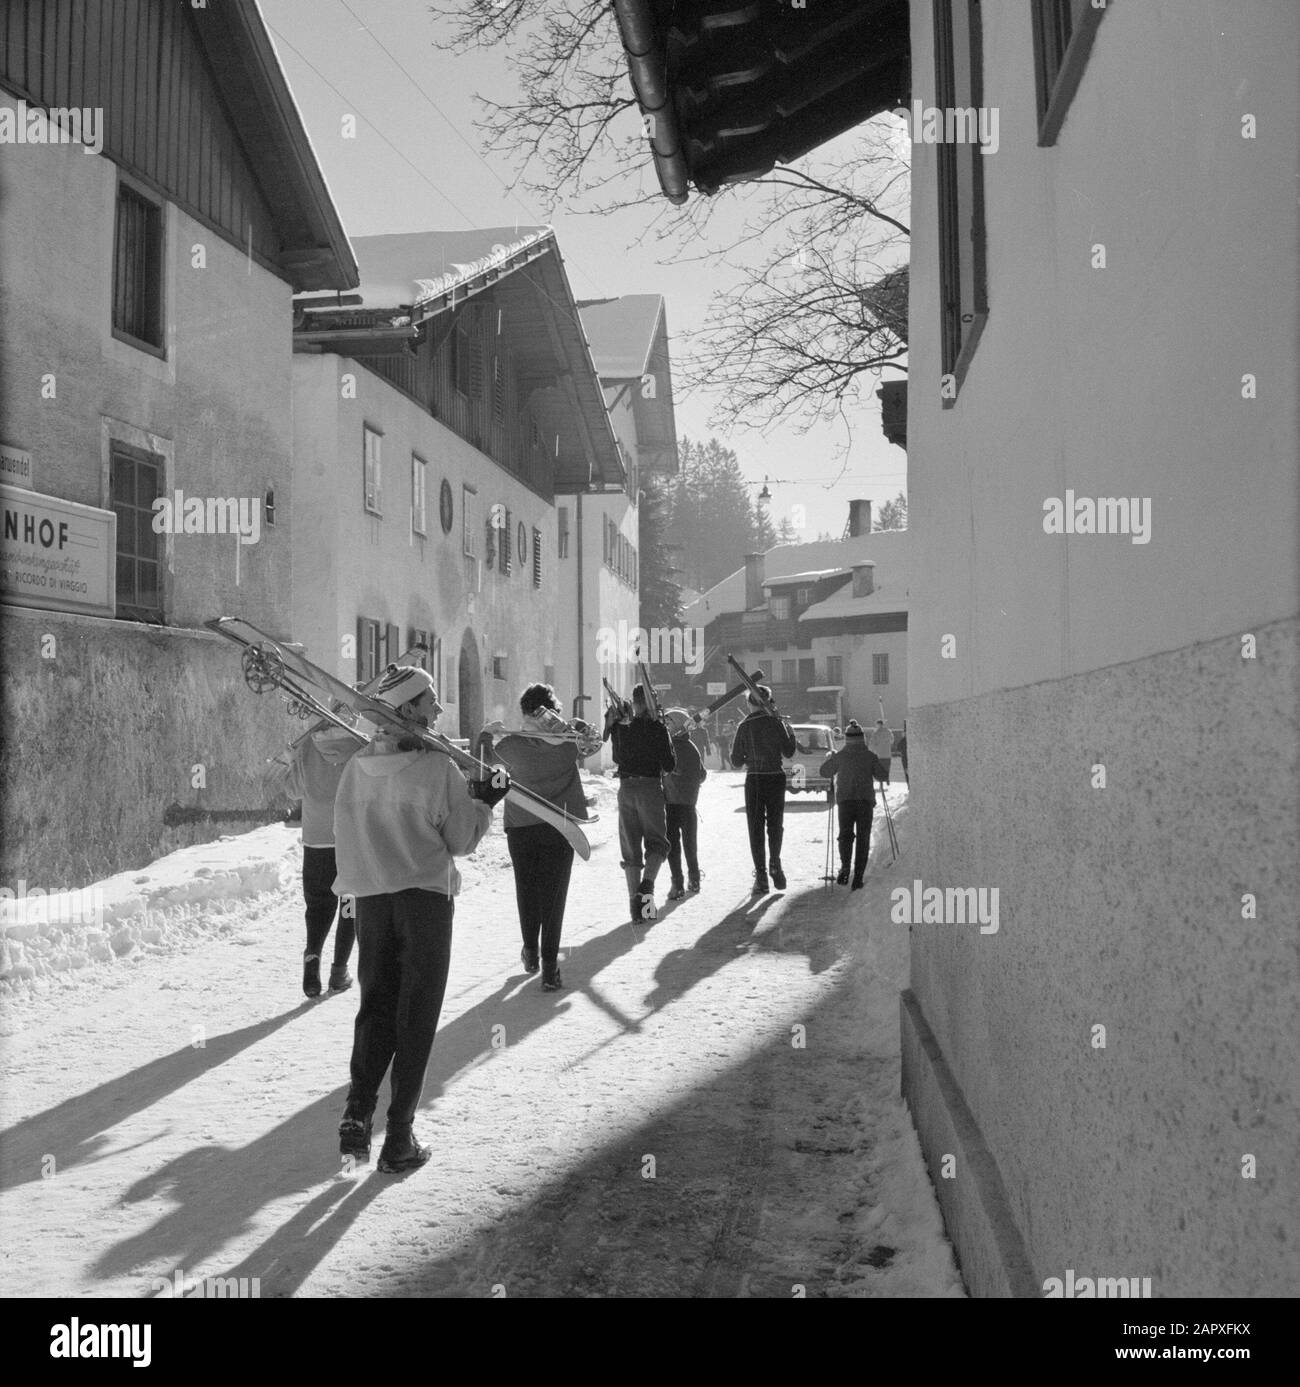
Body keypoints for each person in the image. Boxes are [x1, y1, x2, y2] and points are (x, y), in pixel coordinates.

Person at [332, 665, 509, 1173]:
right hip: (424, 904)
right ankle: (399, 1137)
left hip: (372, 903)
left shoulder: (356, 769)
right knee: (417, 1015)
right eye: (430, 699)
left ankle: (357, 1113)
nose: (438, 708)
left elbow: (345, 836)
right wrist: (484, 802)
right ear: (408, 709)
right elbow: (461, 841)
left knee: (375, 1009)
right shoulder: (436, 771)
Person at [494, 684, 600, 991]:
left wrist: (487, 736)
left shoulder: (510, 745)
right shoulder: (567, 745)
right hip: (560, 826)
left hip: (521, 826)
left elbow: (485, 767)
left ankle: (530, 951)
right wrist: (570, 728)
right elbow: (594, 743)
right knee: (554, 896)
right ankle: (551, 967)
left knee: (526, 891)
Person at [273, 717, 363, 998]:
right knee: (349, 904)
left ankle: (312, 957)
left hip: (316, 842)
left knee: (318, 906)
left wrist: (291, 761)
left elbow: (292, 791)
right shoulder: (361, 746)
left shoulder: (308, 747)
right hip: (350, 841)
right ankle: (339, 972)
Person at [605, 683, 675, 921]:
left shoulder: (621, 727)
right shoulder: (657, 727)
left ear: (634, 703)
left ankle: (637, 910)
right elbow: (669, 765)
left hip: (625, 789)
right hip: (649, 788)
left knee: (631, 850)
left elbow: (616, 757)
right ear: (652, 703)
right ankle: (647, 888)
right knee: (657, 844)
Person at [730, 685, 797, 893]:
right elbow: (789, 752)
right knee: (776, 824)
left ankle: (761, 876)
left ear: (750, 703)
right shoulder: (777, 723)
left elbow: (735, 761)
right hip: (775, 776)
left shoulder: (745, 725)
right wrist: (789, 731)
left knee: (756, 828)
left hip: (755, 778)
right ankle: (775, 863)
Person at [819, 720, 884, 890]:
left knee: (845, 835)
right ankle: (858, 877)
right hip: (865, 801)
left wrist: (831, 758)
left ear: (847, 739)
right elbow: (882, 775)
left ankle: (845, 866)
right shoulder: (870, 756)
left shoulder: (840, 756)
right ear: (862, 739)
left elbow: (824, 772)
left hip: (846, 801)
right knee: (863, 838)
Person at [662, 708, 707, 899]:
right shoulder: (692, 747)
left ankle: (677, 883)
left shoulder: (670, 747)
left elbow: (666, 769)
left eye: (668, 723)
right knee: (690, 844)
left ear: (677, 725)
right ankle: (694, 879)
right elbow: (702, 774)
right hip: (689, 805)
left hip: (672, 804)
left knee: (673, 845)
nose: (665, 726)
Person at [868, 718, 895, 784]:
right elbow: (892, 741)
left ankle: (881, 780)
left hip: (879, 754)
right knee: (887, 767)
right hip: (887, 754)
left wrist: (871, 751)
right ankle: (887, 777)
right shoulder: (888, 732)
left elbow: (872, 744)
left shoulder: (876, 733)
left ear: (878, 725)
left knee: (880, 768)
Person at [899, 720, 909, 787]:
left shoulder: (904, 740)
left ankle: (909, 785)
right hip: (907, 758)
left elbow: (898, 748)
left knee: (907, 773)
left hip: (905, 759)